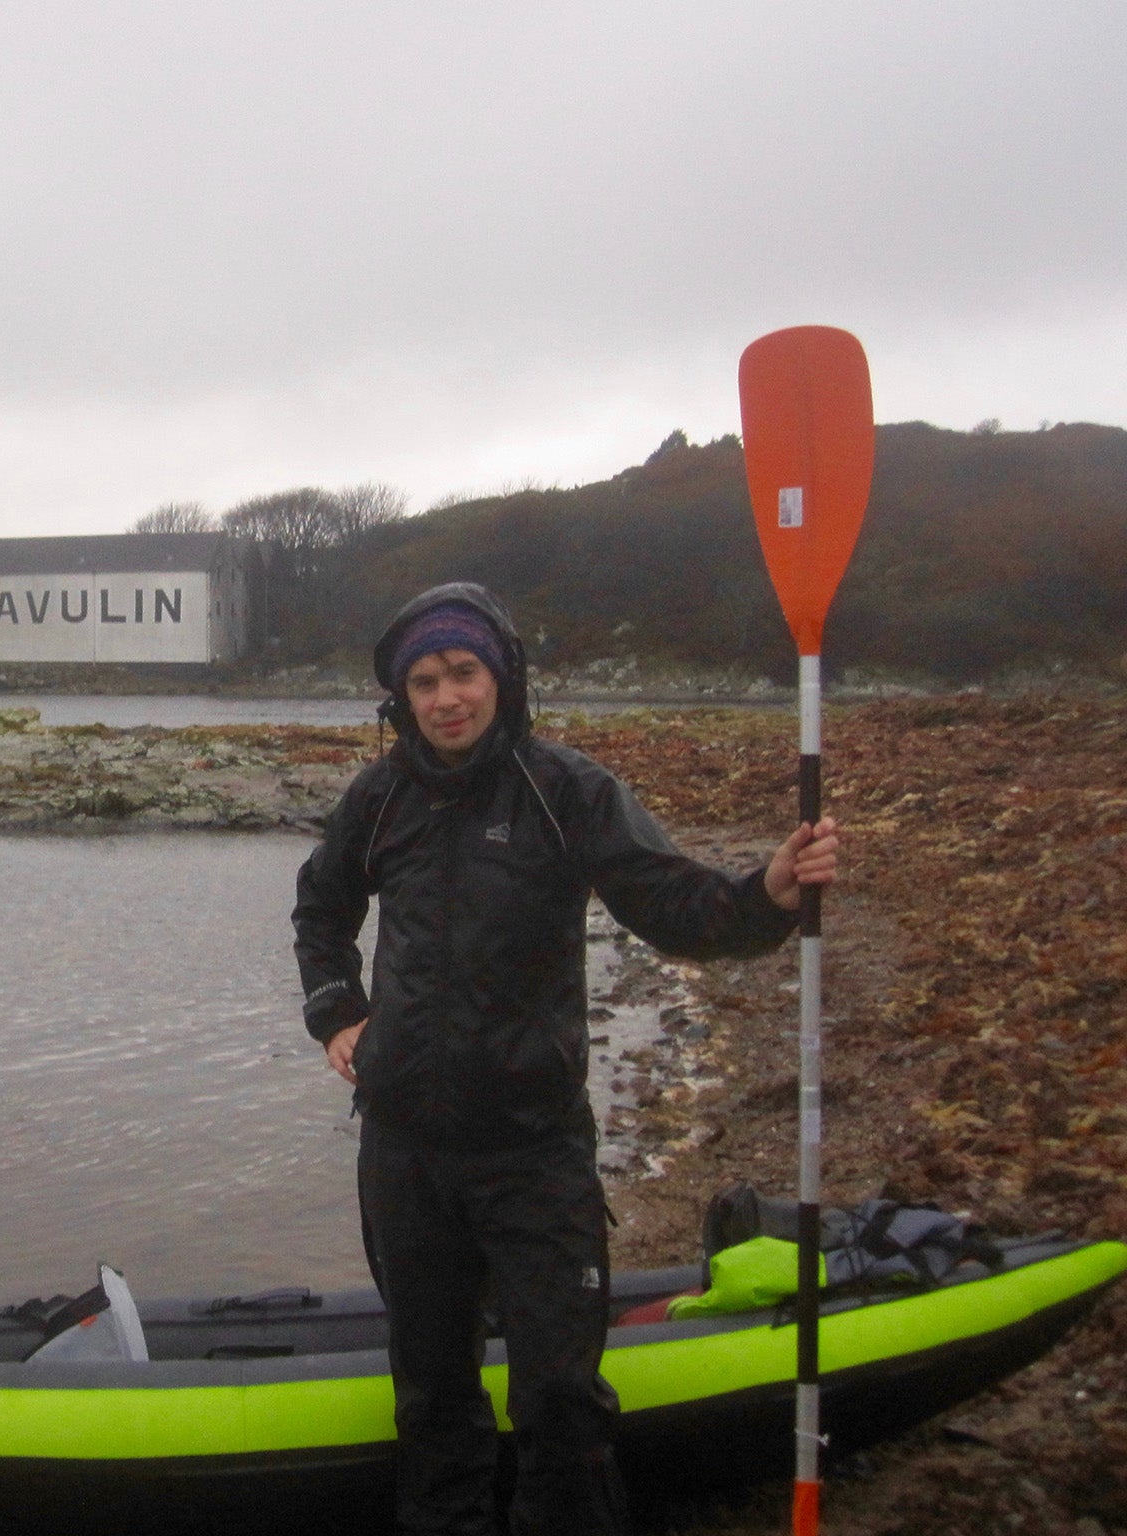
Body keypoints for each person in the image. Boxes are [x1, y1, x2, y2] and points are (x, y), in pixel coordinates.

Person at [292, 583, 839, 1535]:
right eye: (424, 681)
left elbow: (675, 905)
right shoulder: (378, 798)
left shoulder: (567, 791)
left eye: (463, 672)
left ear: (502, 677)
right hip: (405, 1152)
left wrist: (769, 893)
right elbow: (321, 909)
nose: (446, 697)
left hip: (534, 1156)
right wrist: (339, 1013)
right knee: (431, 1399)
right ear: (401, 697)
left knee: (559, 1401)